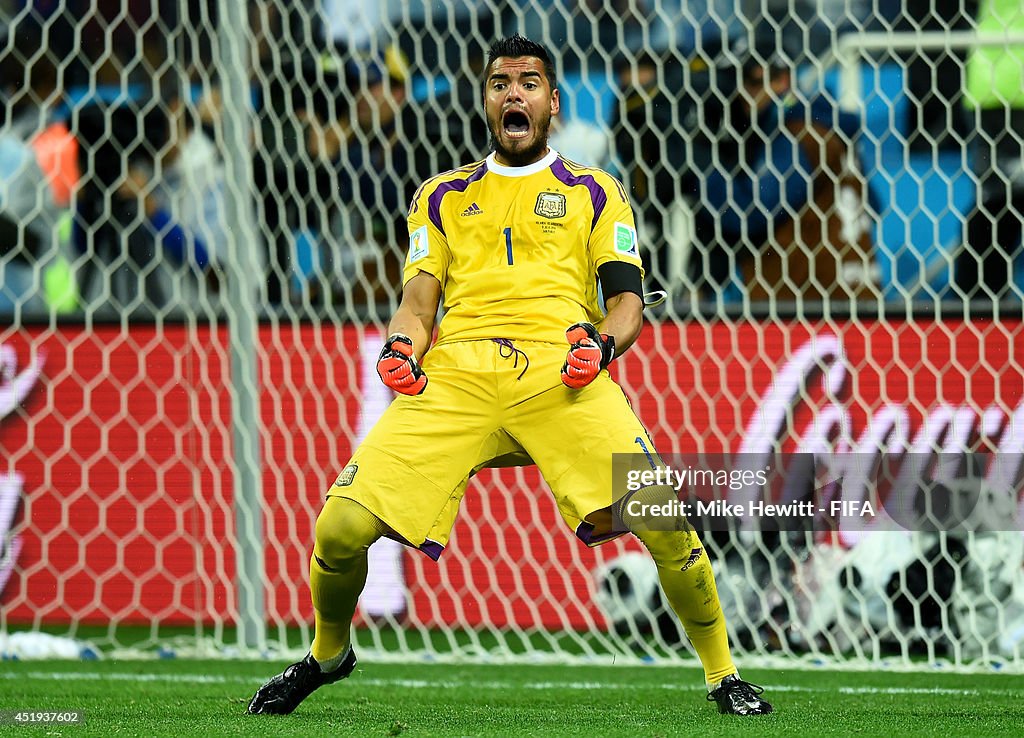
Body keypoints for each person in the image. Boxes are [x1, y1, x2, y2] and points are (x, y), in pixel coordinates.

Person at [247, 35, 773, 718]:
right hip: (457, 377)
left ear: (554, 102)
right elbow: (416, 302)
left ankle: (723, 674)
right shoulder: (439, 196)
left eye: (529, 82)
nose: (514, 93)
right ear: (486, 100)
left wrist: (602, 347)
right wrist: (400, 349)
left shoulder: (595, 191)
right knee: (339, 529)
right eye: (500, 83)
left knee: (665, 519)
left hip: (563, 374)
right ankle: (327, 653)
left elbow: (625, 304)